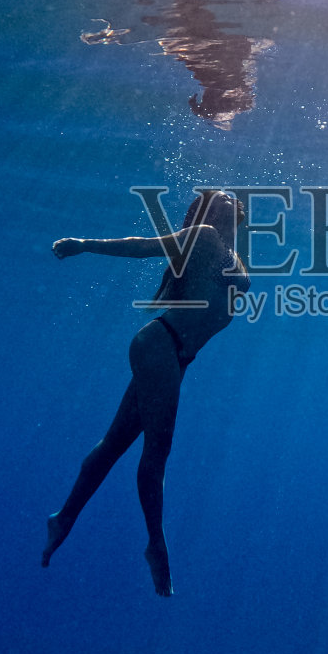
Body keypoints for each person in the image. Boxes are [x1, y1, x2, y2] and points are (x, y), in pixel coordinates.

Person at [42, 190, 248, 596]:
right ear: (205, 211)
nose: (229, 200)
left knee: (114, 444)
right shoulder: (202, 236)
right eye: (220, 198)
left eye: (231, 198)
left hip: (177, 354)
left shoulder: (230, 252)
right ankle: (156, 544)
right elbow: (143, 246)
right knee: (157, 450)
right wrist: (84, 245)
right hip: (162, 345)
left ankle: (63, 518)